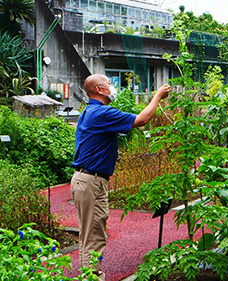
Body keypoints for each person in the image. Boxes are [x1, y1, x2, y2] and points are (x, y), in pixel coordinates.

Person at [71, 74, 170, 280]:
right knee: (92, 235)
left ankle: (93, 275)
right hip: (91, 180)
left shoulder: (90, 111)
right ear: (99, 90)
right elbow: (141, 120)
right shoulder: (101, 113)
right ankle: (92, 277)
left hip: (90, 179)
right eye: (109, 84)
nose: (112, 87)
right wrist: (158, 96)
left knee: (94, 232)